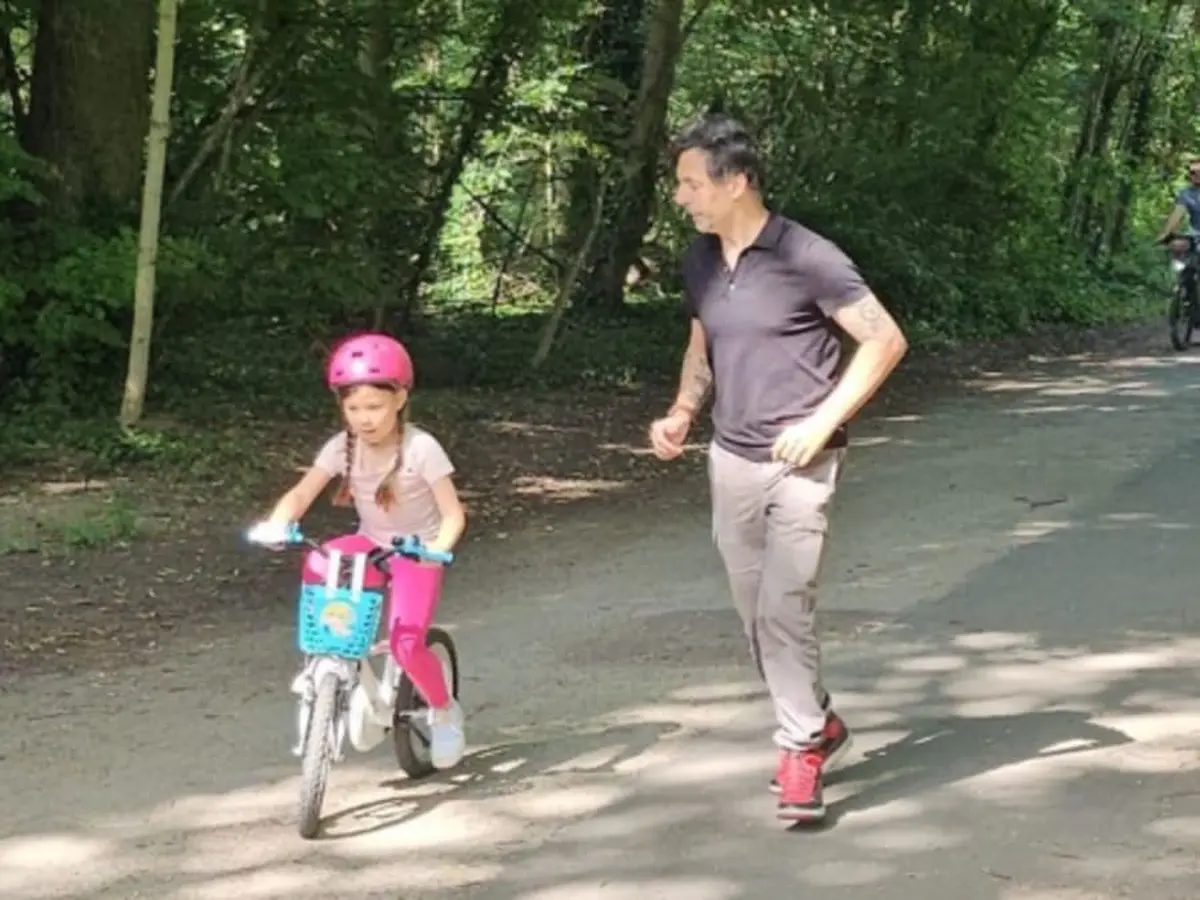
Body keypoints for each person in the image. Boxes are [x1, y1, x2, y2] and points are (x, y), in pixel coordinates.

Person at [648, 114, 908, 823]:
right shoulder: (700, 259)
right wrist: (681, 411)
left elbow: (884, 340)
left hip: (803, 463)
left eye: (690, 183)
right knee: (754, 616)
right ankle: (818, 719)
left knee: (784, 607)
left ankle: (799, 749)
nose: (681, 196)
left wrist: (823, 421)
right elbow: (703, 342)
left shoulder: (807, 256)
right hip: (729, 459)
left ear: (736, 183)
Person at [255, 332, 468, 769]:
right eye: (353, 408)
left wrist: (437, 550)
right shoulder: (341, 447)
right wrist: (279, 522)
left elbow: (453, 515)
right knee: (319, 557)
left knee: (407, 644)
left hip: (415, 550)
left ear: (400, 398)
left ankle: (444, 712)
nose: (364, 419)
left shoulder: (421, 448)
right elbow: (300, 494)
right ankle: (327, 658)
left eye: (374, 407)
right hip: (371, 543)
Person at [1156, 158, 1200, 243]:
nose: (1197, 175)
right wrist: (1166, 233)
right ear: (1190, 175)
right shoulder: (1186, 194)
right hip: (1196, 235)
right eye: (1193, 172)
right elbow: (1177, 214)